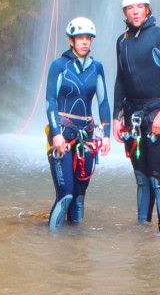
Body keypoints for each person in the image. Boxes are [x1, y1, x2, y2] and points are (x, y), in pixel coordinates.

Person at [111, 0, 160, 233]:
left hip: (157, 114)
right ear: (125, 12)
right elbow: (121, 80)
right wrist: (117, 117)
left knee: (158, 176)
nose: (135, 11)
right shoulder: (122, 42)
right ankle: (142, 228)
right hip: (133, 117)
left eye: (140, 6)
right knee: (141, 177)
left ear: (148, 9)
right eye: (130, 7)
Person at [45, 16, 111, 229]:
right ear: (71, 41)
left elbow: (103, 102)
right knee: (66, 194)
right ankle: (53, 244)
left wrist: (106, 134)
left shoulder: (97, 68)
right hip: (62, 133)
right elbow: (51, 101)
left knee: (80, 196)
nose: (84, 42)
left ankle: (75, 249)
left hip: (87, 136)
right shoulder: (59, 66)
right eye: (79, 38)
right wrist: (55, 133)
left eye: (88, 38)